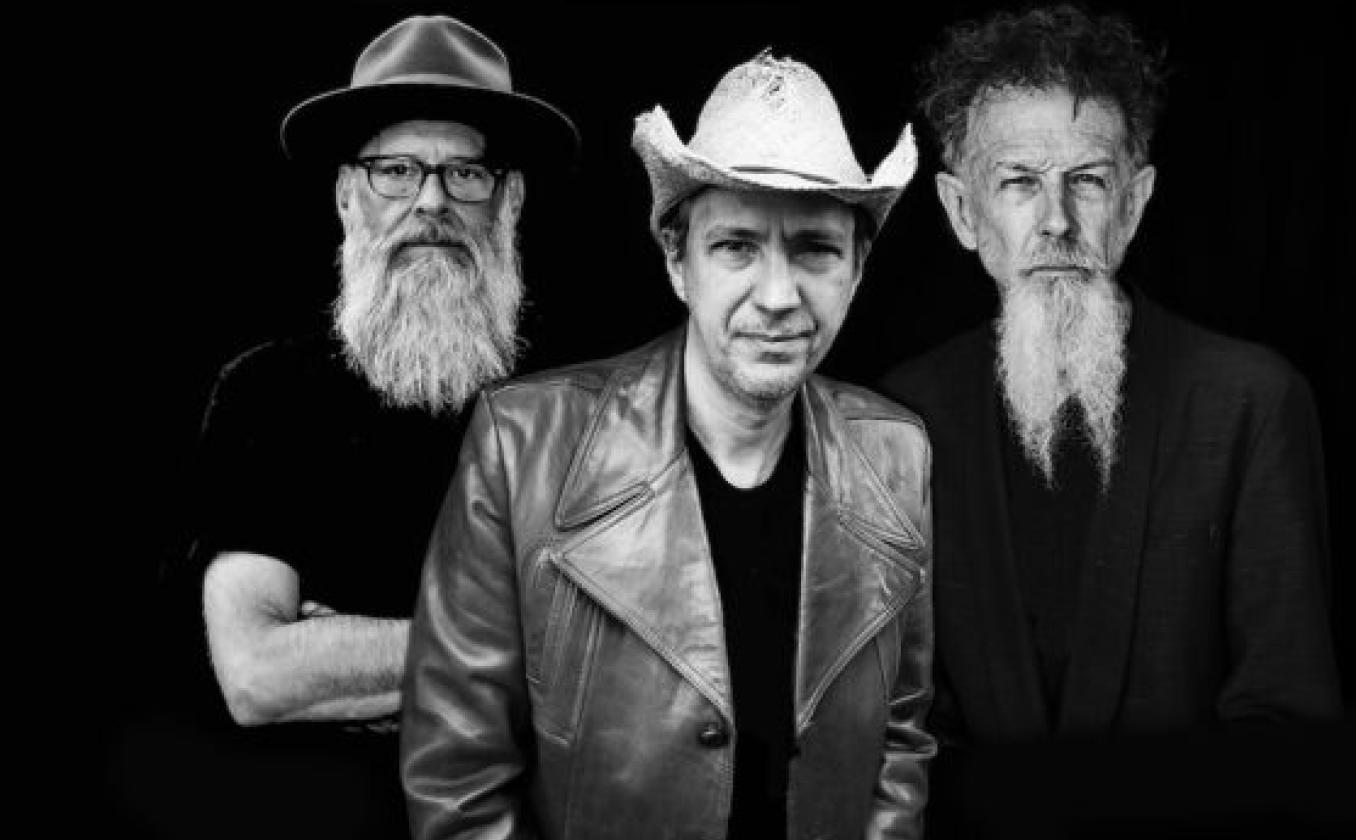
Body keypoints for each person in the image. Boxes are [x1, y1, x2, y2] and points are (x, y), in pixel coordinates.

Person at [400, 52, 934, 839]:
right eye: (738, 246)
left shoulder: (898, 452)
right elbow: (457, 780)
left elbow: (900, 740)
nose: (779, 296)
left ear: (857, 269)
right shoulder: (523, 445)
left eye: (816, 249)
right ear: (676, 260)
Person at [882, 4, 1342, 750]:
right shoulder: (902, 417)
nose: (1057, 220)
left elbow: (1286, 718)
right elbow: (897, 730)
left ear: (1133, 205)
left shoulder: (1251, 403)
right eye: (1020, 183)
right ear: (963, 212)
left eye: (1089, 181)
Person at [187, 15, 577, 837]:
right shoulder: (267, 393)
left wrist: (349, 654)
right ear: (345, 195)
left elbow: (622, 667)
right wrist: (511, 650)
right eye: (396, 170)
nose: (431, 201)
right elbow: (256, 674)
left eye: (465, 173)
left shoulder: (574, 400)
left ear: (509, 200)